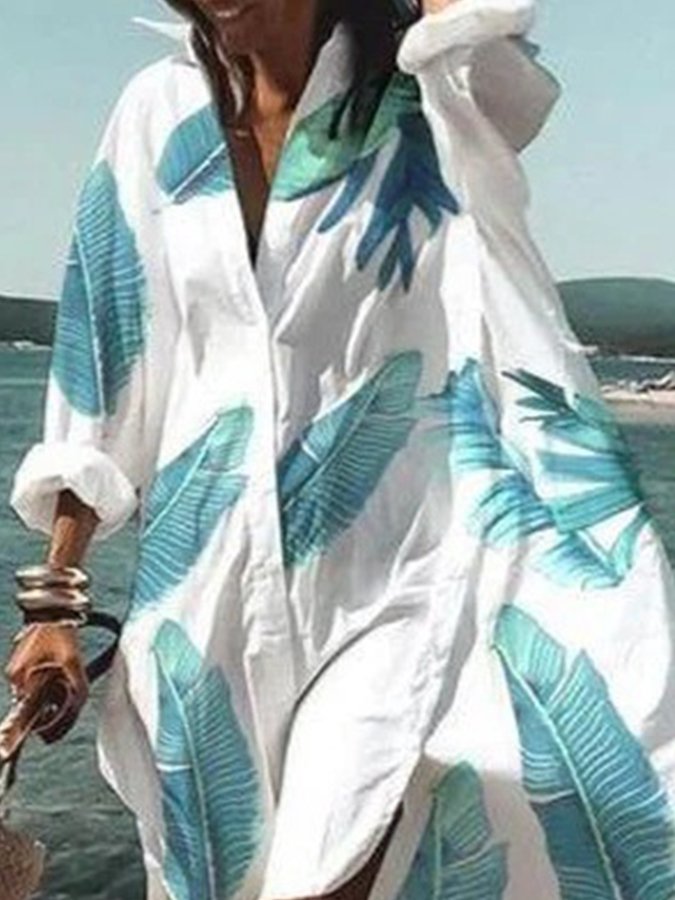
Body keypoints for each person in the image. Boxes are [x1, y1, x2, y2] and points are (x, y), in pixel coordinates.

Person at [6, 0, 675, 897]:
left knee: (329, 862)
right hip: (202, 610)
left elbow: (506, 70)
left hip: (385, 590)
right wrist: (53, 604)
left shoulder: (432, 90)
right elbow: (103, 360)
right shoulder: (155, 114)